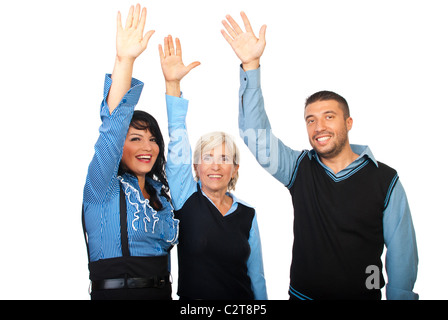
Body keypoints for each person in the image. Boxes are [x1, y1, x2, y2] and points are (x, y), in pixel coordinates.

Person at [221, 12, 418, 300]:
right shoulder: (298, 168)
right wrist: (251, 66)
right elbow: (255, 135)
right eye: (310, 119)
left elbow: (402, 254)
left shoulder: (384, 179)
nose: (319, 127)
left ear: (348, 123)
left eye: (329, 117)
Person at [82, 4, 179, 300]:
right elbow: (113, 128)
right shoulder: (102, 186)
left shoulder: (161, 194)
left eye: (152, 139)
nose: (147, 147)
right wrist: (125, 60)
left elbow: (180, 151)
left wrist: (173, 84)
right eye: (135, 138)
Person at [159, 35, 267, 300]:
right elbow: (177, 137)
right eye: (207, 157)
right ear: (195, 166)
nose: (215, 165)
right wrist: (173, 84)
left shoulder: (248, 215)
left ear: (235, 169)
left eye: (224, 158)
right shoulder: (186, 198)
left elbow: (257, 277)